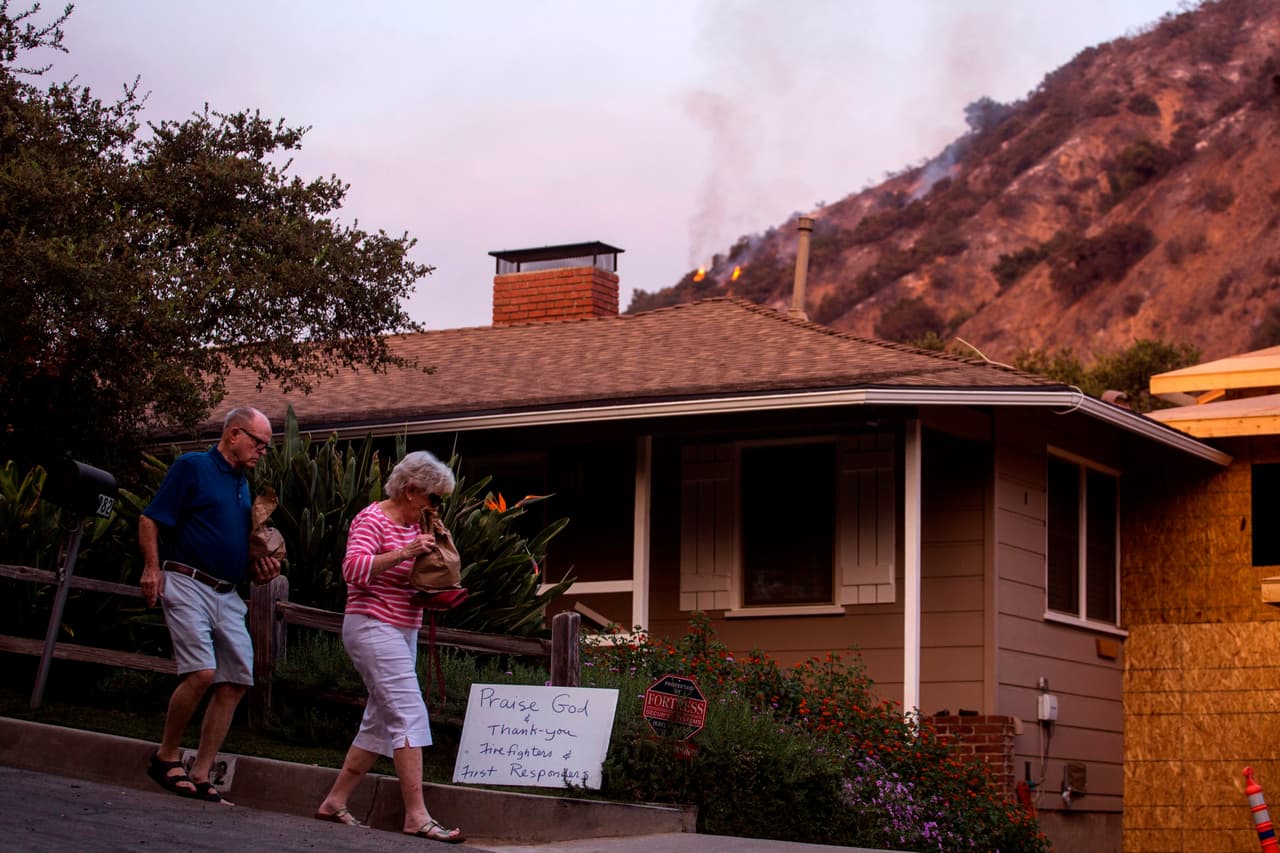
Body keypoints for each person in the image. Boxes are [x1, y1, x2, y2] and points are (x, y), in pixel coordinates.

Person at [313, 450, 465, 843]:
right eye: (434, 499)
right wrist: (404, 553)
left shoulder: (420, 526)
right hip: (371, 625)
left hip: (403, 626)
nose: (435, 507)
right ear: (411, 490)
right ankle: (416, 815)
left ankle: (334, 802)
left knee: (380, 721)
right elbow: (353, 569)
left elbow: (414, 577)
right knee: (409, 715)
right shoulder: (372, 519)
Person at [138, 406, 281, 806]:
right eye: (258, 444)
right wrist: (151, 569)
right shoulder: (193, 467)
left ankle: (201, 771)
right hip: (185, 580)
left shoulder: (242, 485)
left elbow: (230, 545)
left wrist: (259, 569)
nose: (261, 453)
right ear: (234, 434)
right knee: (202, 672)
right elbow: (150, 519)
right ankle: (165, 756)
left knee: (236, 679)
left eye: (265, 447)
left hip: (226, 592)